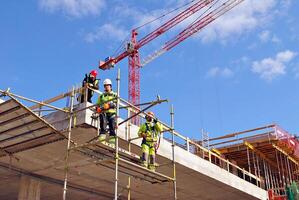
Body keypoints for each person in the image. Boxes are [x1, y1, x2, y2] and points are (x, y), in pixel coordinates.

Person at [96, 79, 117, 145]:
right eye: (105, 86)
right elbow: (97, 104)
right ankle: (101, 139)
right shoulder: (102, 96)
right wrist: (98, 109)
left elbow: (116, 103)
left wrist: (109, 105)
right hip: (104, 112)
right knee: (103, 125)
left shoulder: (114, 94)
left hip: (112, 113)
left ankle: (112, 143)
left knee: (112, 127)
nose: (106, 87)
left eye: (107, 85)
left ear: (110, 86)